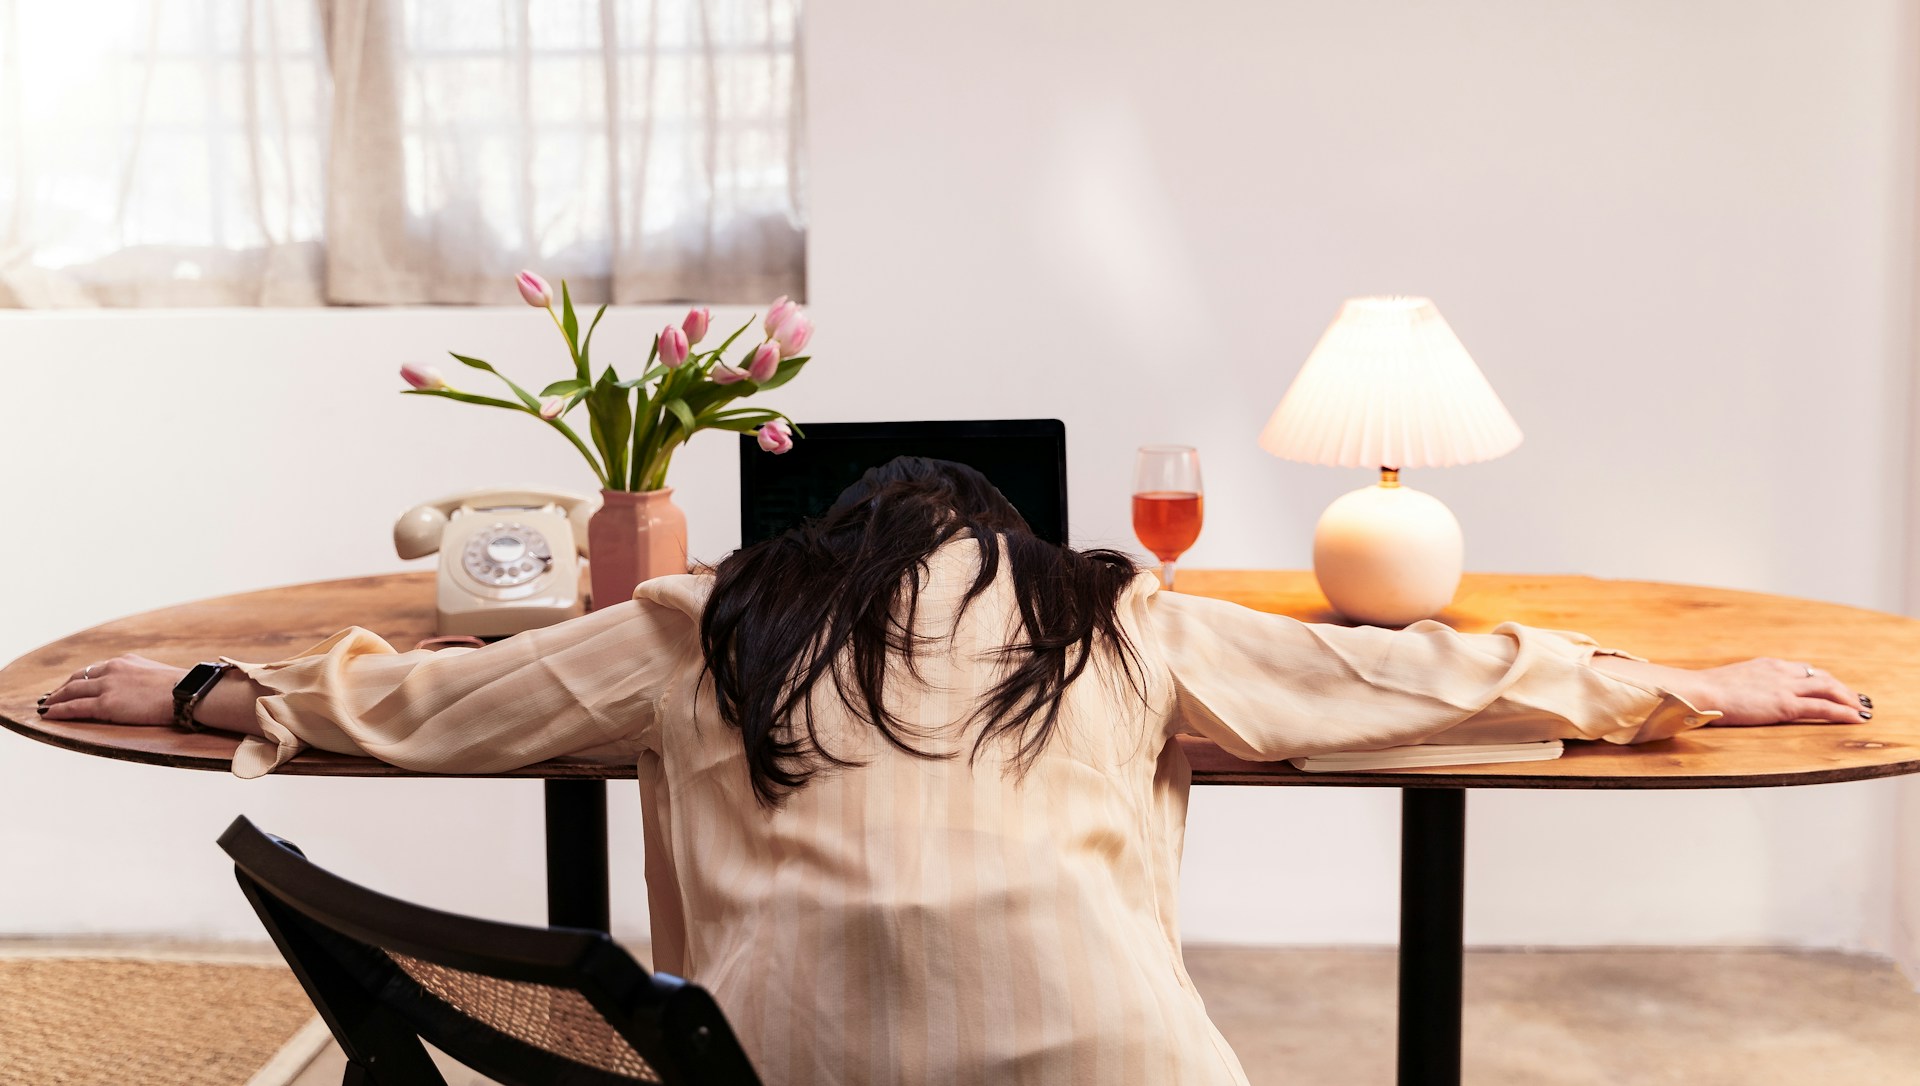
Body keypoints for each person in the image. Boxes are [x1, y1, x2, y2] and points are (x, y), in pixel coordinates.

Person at [40, 458, 1871, 1085]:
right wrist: (1671, 685)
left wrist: (203, 683)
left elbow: (430, 705)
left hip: (768, 1076)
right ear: (1012, 544)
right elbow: (1397, 675)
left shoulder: (711, 618)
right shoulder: (1121, 613)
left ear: (828, 549)